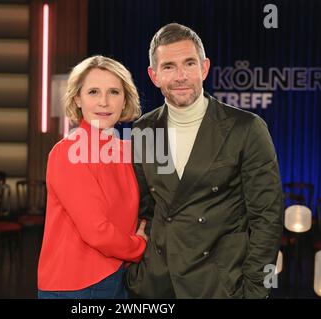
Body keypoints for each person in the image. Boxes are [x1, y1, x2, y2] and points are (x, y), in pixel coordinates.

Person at [125, 23, 283, 299]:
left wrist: (256, 290)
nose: (181, 76)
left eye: (189, 63)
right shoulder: (143, 130)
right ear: (154, 75)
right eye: (169, 66)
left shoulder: (246, 128)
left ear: (205, 67)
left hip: (219, 284)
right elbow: (144, 209)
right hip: (156, 284)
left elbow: (266, 218)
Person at [38, 55, 148, 299]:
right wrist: (140, 247)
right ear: (77, 98)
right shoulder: (66, 152)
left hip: (120, 275)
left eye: (114, 92)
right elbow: (96, 230)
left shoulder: (126, 150)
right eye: (93, 92)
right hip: (75, 285)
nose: (104, 102)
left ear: (125, 99)